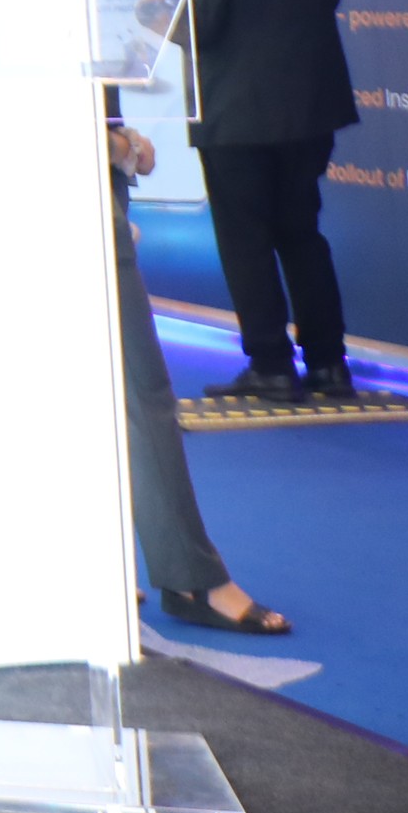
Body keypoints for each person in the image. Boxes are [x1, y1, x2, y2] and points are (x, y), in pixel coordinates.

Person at [172, 0, 358, 404]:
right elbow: (326, 1)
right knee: (303, 234)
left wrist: (157, 17)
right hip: (310, 113)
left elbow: (200, 26)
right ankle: (328, 365)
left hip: (235, 120)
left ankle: (272, 366)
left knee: (245, 242)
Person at [104, 116, 284, 633]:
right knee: (141, 393)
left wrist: (118, 141)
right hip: (63, 186)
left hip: (78, 181)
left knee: (107, 389)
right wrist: (114, 144)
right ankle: (189, 578)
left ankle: (97, 562)